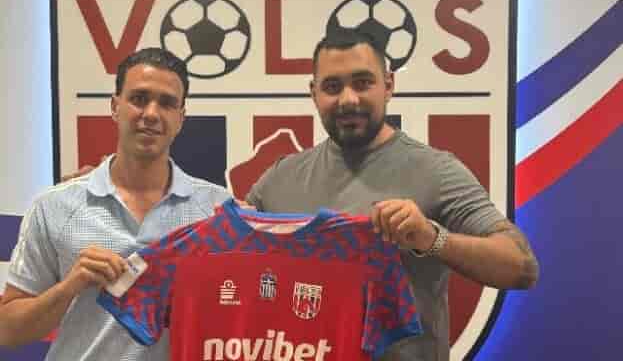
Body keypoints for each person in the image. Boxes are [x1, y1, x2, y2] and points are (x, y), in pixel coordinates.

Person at [245, 31, 540, 360]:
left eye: (362, 83)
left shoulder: (436, 170)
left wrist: (431, 239)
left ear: (388, 85)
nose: (348, 99)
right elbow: (227, 263)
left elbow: (521, 266)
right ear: (314, 93)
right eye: (332, 87)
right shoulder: (279, 179)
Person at [0, 48, 230, 360]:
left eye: (166, 103)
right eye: (139, 98)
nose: (151, 113)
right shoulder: (53, 206)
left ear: (180, 118)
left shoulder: (218, 212)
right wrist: (69, 287)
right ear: (115, 106)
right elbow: (7, 330)